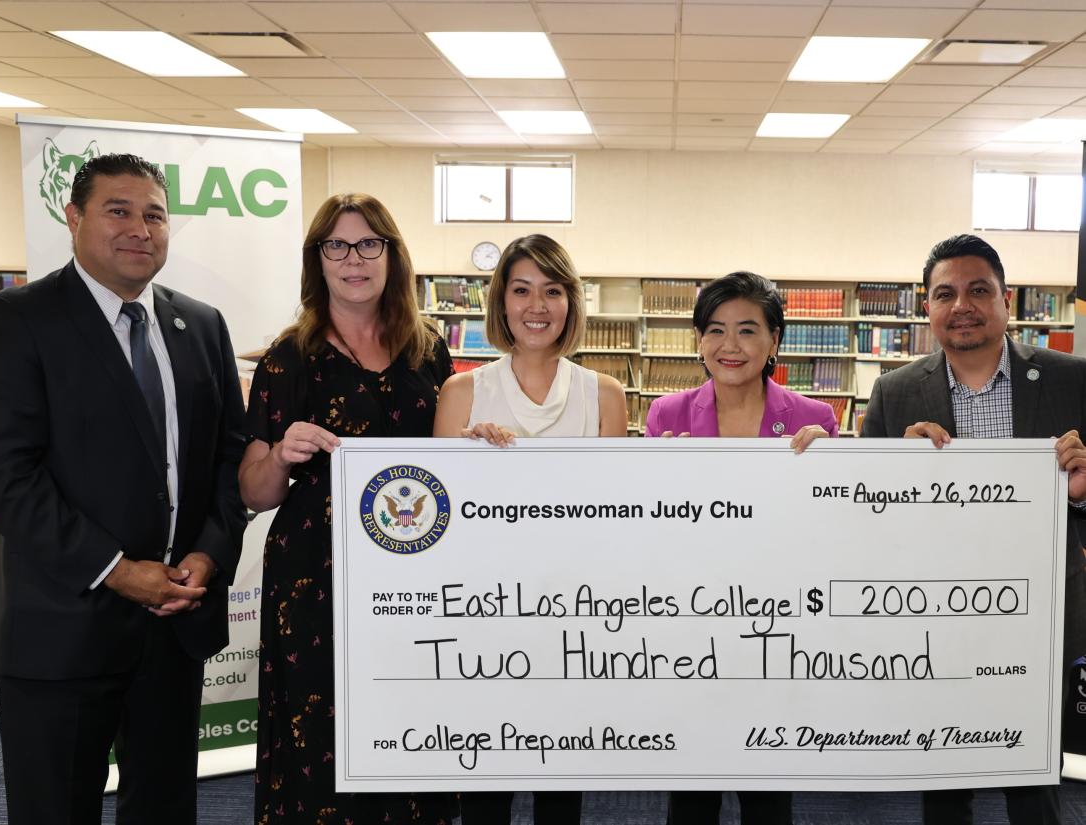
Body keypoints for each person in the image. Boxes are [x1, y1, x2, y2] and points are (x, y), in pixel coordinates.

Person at [0, 153, 247, 825]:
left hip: (174, 626)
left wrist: (210, 553)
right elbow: (7, 478)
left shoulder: (202, 324)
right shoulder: (13, 322)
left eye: (154, 215)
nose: (140, 228)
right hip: (61, 628)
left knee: (163, 806)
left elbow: (228, 459)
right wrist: (117, 570)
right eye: (118, 211)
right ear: (73, 218)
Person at [239, 193, 455, 825]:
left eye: (368, 244)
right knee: (319, 731)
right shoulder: (289, 357)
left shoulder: (429, 351)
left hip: (416, 574)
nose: (353, 259)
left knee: (414, 717)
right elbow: (253, 491)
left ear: (392, 255)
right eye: (336, 245)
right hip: (315, 577)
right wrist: (280, 455)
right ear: (318, 260)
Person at [862, 233, 1086, 825]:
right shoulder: (895, 392)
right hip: (935, 612)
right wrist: (893, 480)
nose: (962, 304)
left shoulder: (1075, 380)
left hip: (1041, 611)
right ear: (927, 307)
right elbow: (861, 519)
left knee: (1034, 777)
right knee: (942, 774)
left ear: (1006, 300)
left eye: (978, 290)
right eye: (945, 293)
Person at [434, 233, 628, 824]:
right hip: (483, 618)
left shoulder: (606, 394)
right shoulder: (462, 392)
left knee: (561, 790)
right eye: (521, 290)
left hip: (575, 615)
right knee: (485, 790)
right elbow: (441, 529)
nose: (536, 305)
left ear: (571, 302)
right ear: (501, 301)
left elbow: (615, 516)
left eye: (552, 290)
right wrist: (467, 466)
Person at [645, 270, 835, 824]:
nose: (730, 346)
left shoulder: (813, 420)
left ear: (775, 339)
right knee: (692, 794)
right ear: (699, 340)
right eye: (715, 330)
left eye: (748, 330)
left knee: (768, 796)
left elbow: (830, 533)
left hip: (774, 630)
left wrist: (833, 472)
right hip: (688, 625)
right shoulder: (667, 416)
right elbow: (647, 533)